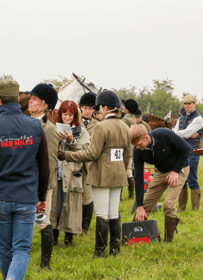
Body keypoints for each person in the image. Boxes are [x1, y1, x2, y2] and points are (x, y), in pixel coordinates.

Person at [0, 80, 50, 280]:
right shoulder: (35, 126)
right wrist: (41, 196)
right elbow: (45, 168)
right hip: (26, 198)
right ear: (16, 99)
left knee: (5, 251)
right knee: (21, 250)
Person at [58, 90, 131, 257]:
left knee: (101, 214)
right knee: (114, 213)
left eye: (99, 108)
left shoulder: (101, 126)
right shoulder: (125, 127)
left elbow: (91, 154)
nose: (98, 111)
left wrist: (66, 155)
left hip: (102, 174)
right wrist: (121, 169)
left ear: (105, 108)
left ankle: (99, 251)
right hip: (119, 174)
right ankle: (115, 249)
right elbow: (127, 156)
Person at [131, 125, 191, 242]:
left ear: (146, 137)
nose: (137, 147)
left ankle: (168, 239)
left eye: (139, 144)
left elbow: (187, 148)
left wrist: (175, 171)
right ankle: (133, 236)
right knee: (145, 204)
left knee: (168, 204)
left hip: (179, 168)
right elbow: (138, 177)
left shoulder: (164, 134)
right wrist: (139, 206)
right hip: (161, 171)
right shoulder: (137, 150)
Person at [27, 83, 59, 269]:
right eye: (30, 98)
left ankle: (45, 264)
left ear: (45, 105)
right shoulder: (25, 122)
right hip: (24, 182)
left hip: (41, 185)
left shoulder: (50, 130)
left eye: (35, 99)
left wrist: (43, 192)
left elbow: (51, 163)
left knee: (42, 222)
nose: (30, 102)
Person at [51, 100, 90, 247]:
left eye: (70, 115)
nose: (67, 118)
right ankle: (53, 236)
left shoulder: (81, 131)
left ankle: (69, 238)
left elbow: (86, 152)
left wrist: (71, 141)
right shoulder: (53, 128)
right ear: (60, 114)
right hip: (57, 173)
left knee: (71, 206)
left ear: (74, 116)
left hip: (72, 174)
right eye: (64, 114)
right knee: (56, 205)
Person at [174, 95, 203, 211]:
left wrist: (184, 134)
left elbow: (184, 133)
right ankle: (182, 208)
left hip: (192, 153)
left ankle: (195, 209)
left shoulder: (198, 119)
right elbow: (176, 132)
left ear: (194, 104)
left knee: (192, 180)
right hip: (181, 153)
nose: (186, 106)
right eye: (185, 104)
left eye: (189, 104)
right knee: (182, 181)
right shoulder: (181, 117)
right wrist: (185, 134)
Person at [78, 92, 99, 235]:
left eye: (90, 108)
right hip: (74, 162)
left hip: (89, 164)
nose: (87, 111)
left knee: (87, 196)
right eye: (85, 108)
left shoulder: (97, 125)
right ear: (80, 108)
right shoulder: (73, 121)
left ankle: (85, 226)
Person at [121, 98, 139, 199]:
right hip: (132, 149)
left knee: (124, 171)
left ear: (127, 109)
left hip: (126, 149)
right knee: (128, 171)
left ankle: (124, 195)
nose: (123, 108)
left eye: (125, 107)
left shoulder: (125, 120)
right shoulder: (133, 118)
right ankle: (131, 194)